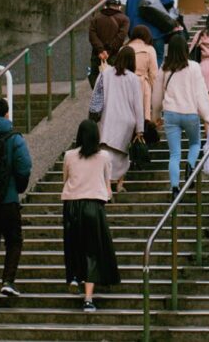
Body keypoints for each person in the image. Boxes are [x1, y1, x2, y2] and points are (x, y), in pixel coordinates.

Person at [62, 119, 121, 312]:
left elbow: (66, 179)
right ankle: (88, 298)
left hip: (71, 205)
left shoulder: (69, 155)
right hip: (93, 206)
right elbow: (108, 186)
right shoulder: (104, 156)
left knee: (73, 245)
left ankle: (73, 277)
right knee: (92, 251)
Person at [0, 98, 33, 314]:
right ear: (6, 114)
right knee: (14, 241)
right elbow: (25, 166)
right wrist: (17, 188)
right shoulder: (14, 138)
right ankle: (8, 282)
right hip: (8, 200)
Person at [152, 33, 209, 200]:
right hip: (190, 113)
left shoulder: (164, 67)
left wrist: (155, 115)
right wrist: (208, 117)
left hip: (171, 115)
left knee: (174, 154)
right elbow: (200, 94)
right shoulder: (194, 67)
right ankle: (190, 165)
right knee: (195, 143)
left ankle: (174, 188)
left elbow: (157, 96)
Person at [89, 46, 144, 194]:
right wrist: (140, 128)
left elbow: (96, 95)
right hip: (127, 121)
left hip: (108, 118)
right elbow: (138, 105)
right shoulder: (133, 78)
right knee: (123, 155)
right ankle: (120, 183)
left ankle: (107, 184)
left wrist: (93, 115)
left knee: (106, 153)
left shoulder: (105, 74)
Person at [126, 0, 175, 66]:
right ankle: (153, 81)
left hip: (136, 34)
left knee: (137, 62)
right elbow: (169, 1)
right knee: (157, 58)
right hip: (155, 32)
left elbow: (128, 13)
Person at [88, 0, 129, 88]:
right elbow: (121, 37)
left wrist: (100, 50)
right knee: (113, 82)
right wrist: (109, 51)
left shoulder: (96, 18)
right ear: (119, 7)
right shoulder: (124, 19)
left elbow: (92, 36)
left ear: (106, 6)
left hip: (97, 55)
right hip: (114, 55)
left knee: (95, 79)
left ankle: (98, 99)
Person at [127, 25, 158, 122]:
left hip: (126, 84)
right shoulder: (150, 49)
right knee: (143, 117)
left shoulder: (124, 48)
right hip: (143, 85)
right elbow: (154, 74)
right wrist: (155, 93)